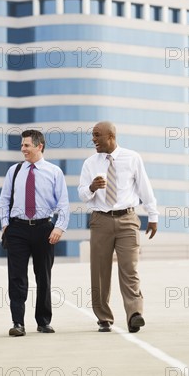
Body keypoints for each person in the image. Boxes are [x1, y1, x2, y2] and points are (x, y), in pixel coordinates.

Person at [78, 121, 159, 333]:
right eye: (92, 135)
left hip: (128, 220)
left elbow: (144, 187)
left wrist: (153, 215)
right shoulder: (90, 163)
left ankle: (135, 314)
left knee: (130, 268)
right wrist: (92, 187)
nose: (93, 139)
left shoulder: (132, 158)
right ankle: (103, 318)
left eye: (97, 135)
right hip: (100, 220)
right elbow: (82, 194)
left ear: (111, 136)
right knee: (100, 272)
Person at [0, 130, 70, 336]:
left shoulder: (54, 172)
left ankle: (43, 321)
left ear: (39, 146)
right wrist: (5, 224)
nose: (23, 149)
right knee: (17, 277)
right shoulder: (14, 171)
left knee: (44, 276)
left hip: (44, 229)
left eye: (27, 145)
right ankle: (17, 322)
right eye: (22, 145)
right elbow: (4, 200)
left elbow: (63, 203)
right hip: (17, 229)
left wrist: (59, 227)